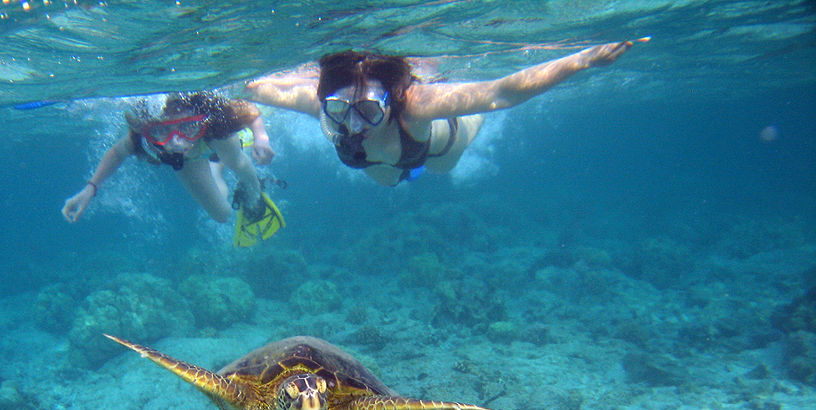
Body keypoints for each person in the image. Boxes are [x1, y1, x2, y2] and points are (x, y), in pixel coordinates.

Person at [245, 40, 642, 187]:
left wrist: (582, 61)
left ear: (389, 102)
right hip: (385, 165)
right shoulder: (320, 105)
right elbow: (257, 87)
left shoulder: (415, 104)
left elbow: (500, 93)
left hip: (438, 149)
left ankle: (468, 134)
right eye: (338, 109)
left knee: (443, 166)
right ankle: (397, 174)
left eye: (368, 111)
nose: (351, 124)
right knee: (384, 180)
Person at [62, 91, 285, 245]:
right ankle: (216, 166)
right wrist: (90, 189)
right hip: (188, 161)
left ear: (200, 121)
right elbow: (118, 152)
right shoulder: (143, 138)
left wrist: (261, 138)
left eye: (187, 126)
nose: (176, 142)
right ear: (150, 130)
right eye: (162, 132)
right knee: (222, 214)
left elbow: (249, 110)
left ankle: (254, 193)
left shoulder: (216, 122)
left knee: (238, 162)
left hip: (212, 141)